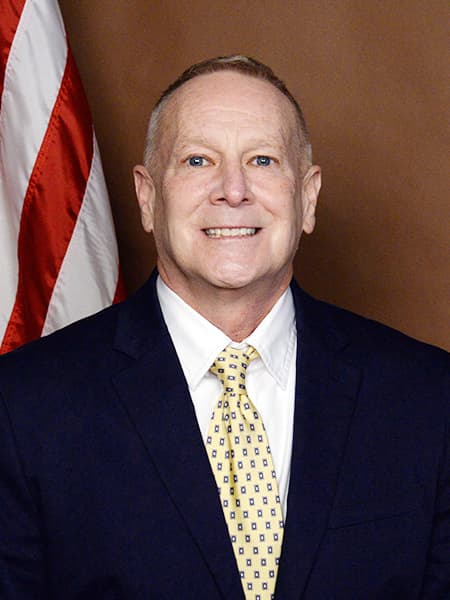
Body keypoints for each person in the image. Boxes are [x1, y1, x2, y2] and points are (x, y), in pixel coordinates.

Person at [0, 56, 448, 599]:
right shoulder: (23, 407)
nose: (232, 190)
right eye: (196, 160)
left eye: (262, 160)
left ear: (307, 198)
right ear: (147, 197)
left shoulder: (428, 398)